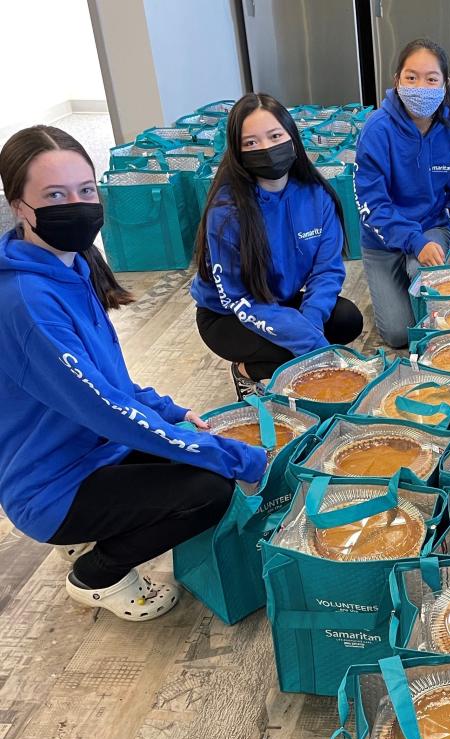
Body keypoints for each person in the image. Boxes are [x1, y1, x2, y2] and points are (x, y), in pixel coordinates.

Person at [0, 126, 267, 621]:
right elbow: (104, 408)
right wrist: (230, 454)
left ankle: (91, 533)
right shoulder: (27, 301)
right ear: (18, 206)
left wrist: (170, 412)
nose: (76, 205)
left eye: (85, 190)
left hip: (94, 452)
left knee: (197, 455)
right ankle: (97, 575)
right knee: (209, 489)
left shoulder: (72, 264)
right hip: (52, 485)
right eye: (54, 195)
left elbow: (108, 382)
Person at [192, 93, 362, 399]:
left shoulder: (315, 195)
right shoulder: (227, 212)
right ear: (237, 152)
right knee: (292, 353)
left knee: (346, 320)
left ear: (292, 137)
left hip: (281, 302)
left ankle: (287, 351)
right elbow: (238, 299)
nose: (266, 149)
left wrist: (310, 323)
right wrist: (307, 344)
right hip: (229, 316)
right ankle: (245, 372)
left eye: (274, 136)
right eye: (251, 143)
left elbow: (327, 271)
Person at [355, 37, 450, 348]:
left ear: (445, 84)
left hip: (431, 227)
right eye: (411, 77)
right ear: (396, 80)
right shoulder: (376, 130)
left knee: (424, 277)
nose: (420, 86)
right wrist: (412, 240)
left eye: (431, 79)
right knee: (398, 335)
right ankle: (400, 284)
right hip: (381, 241)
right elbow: (372, 204)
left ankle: (418, 283)